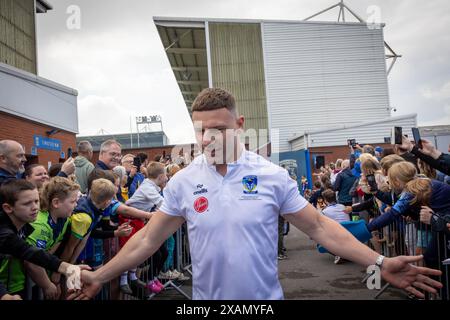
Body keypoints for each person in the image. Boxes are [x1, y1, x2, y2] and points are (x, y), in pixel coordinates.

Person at [74, 88, 442, 300]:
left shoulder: (270, 175)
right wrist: (100, 275)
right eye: (200, 131)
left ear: (239, 125)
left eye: (217, 129)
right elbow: (147, 241)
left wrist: (377, 263)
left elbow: (320, 228)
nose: (207, 139)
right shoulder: (185, 181)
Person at [0, 180, 82, 300]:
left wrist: (68, 269)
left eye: (36, 201)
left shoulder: (24, 224)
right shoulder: (5, 233)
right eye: (27, 203)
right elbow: (30, 253)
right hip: (11, 285)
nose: (35, 207)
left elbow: (38, 254)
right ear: (8, 208)